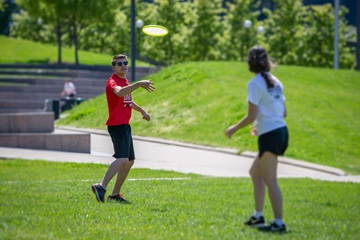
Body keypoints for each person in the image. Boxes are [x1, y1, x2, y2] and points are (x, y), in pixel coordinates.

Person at [225, 46, 289, 232]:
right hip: (279, 131)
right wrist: (261, 126)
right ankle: (258, 216)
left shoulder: (254, 83)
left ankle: (279, 223)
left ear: (250, 64)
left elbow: (252, 115)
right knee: (255, 173)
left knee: (271, 180)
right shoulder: (276, 81)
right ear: (267, 62)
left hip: (271, 134)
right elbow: (283, 113)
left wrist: (233, 129)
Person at [91, 54, 155, 204]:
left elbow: (128, 100)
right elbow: (119, 92)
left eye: (125, 63)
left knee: (130, 161)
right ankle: (101, 186)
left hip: (125, 125)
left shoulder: (124, 80)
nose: (123, 65)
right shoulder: (113, 82)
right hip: (116, 125)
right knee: (122, 159)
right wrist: (139, 84)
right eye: (119, 64)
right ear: (114, 67)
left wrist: (142, 111)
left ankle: (115, 195)